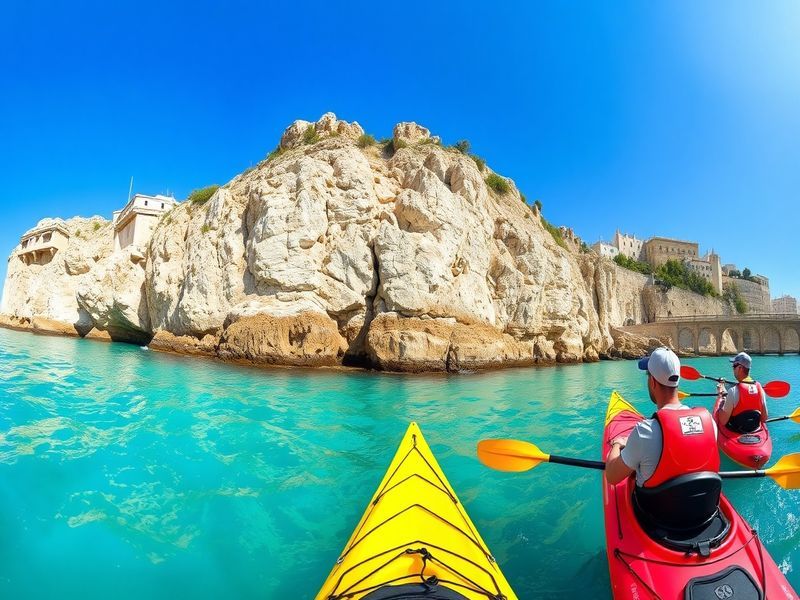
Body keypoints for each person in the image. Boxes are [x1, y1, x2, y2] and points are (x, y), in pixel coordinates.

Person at [606, 347, 718, 487]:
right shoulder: (710, 423)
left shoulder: (645, 432)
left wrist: (618, 443)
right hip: (703, 505)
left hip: (652, 508)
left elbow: (611, 476)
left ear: (652, 381)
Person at [716, 351, 768, 432]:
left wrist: (721, 398)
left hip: (736, 431)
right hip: (754, 429)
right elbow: (764, 419)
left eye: (734, 366)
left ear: (740, 368)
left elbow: (723, 421)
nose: (733, 369)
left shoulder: (733, 391)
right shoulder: (760, 388)